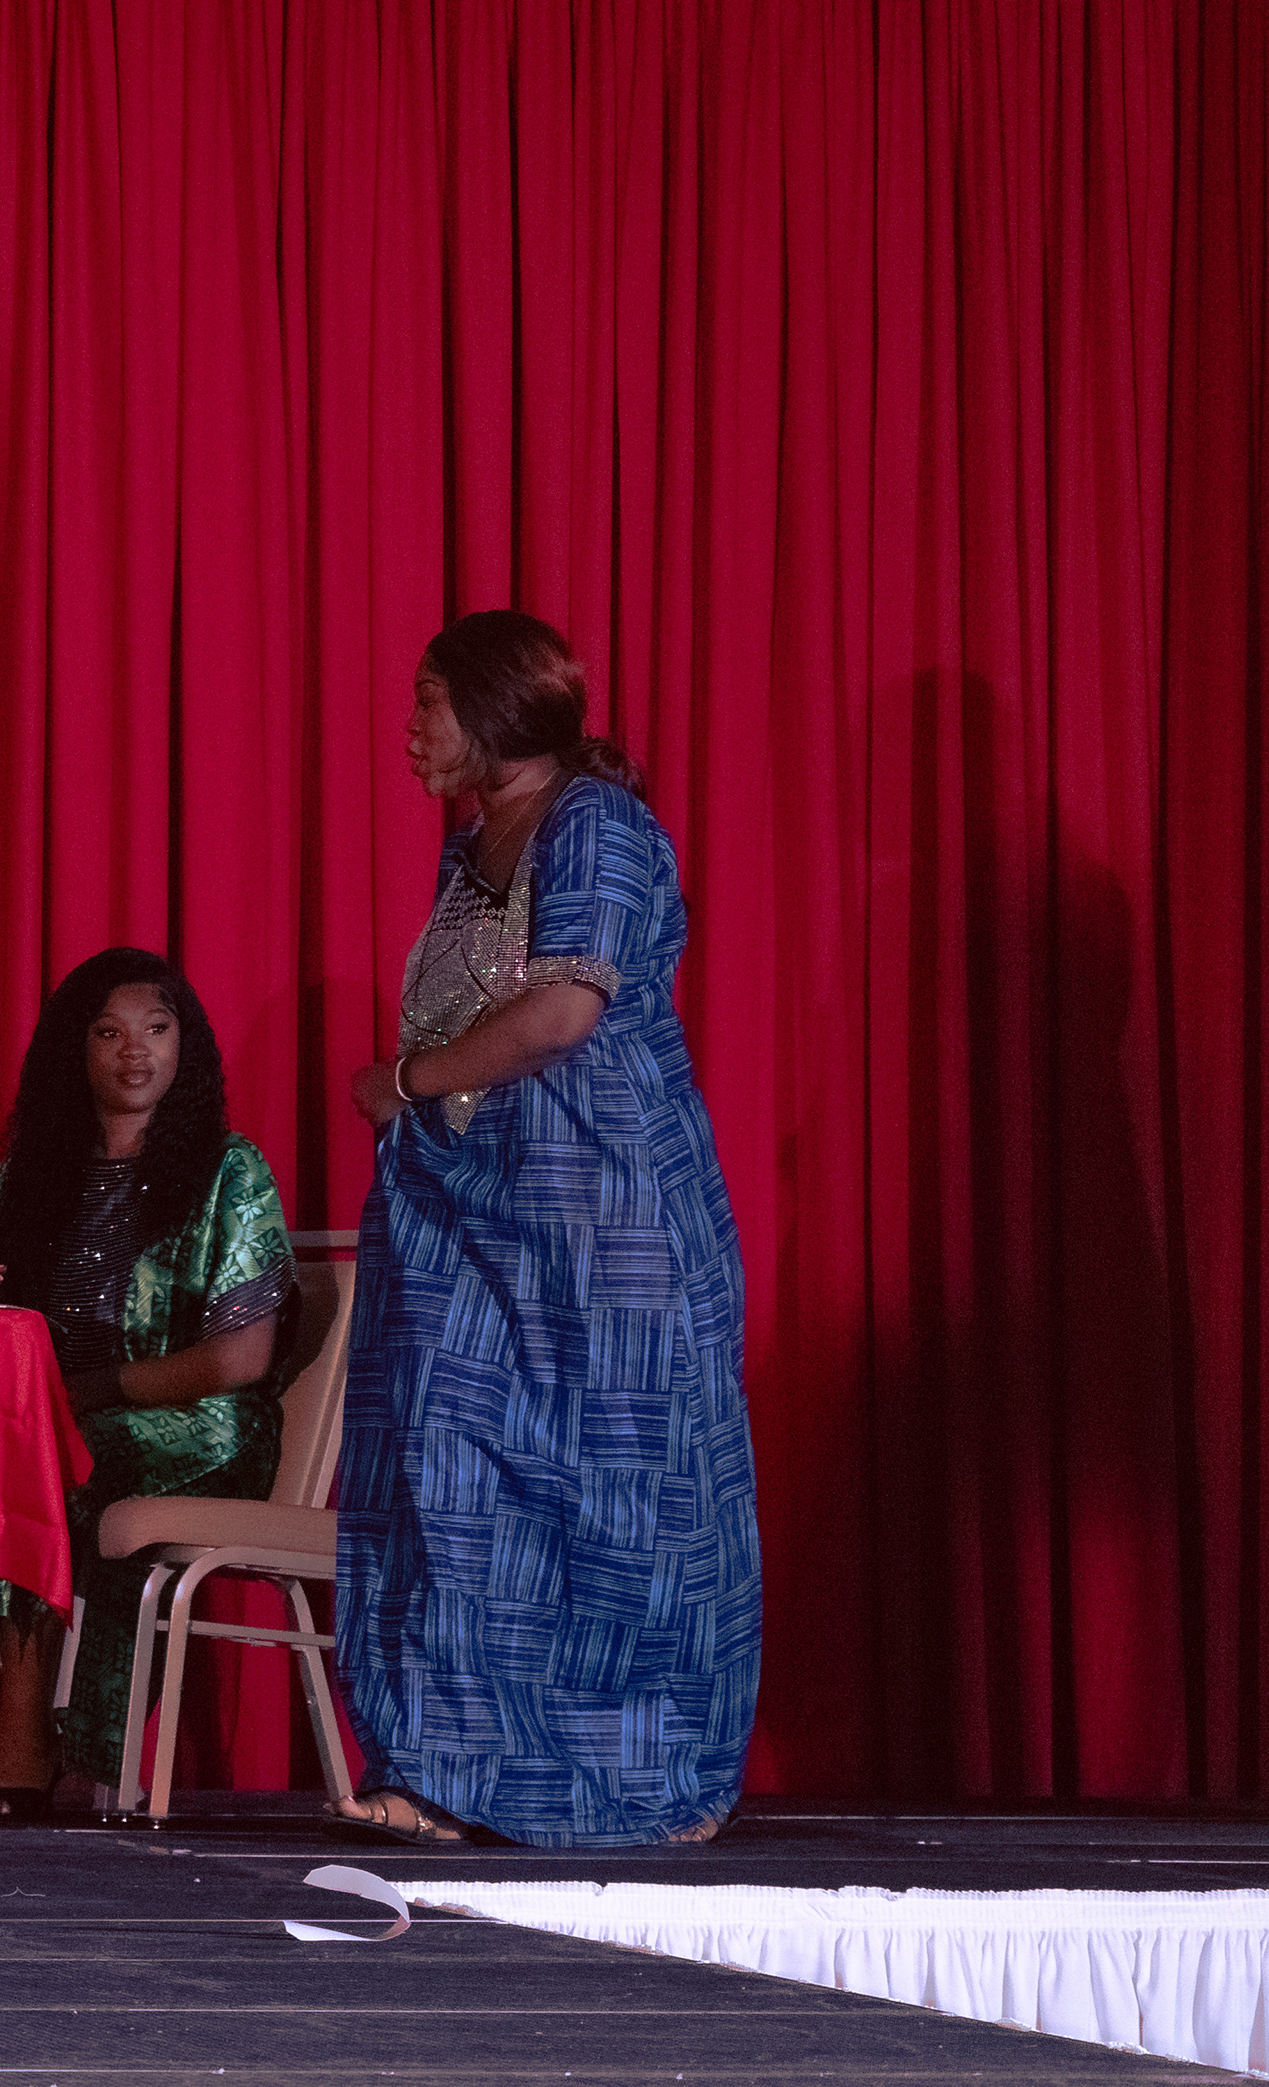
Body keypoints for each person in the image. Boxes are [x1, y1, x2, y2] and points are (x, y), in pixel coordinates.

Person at [335, 610, 756, 1850]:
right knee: (454, 1472)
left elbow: (564, 1011)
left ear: (495, 708)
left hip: (607, 1221)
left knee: (620, 1491)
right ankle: (453, 1771)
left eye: (427, 701)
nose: (409, 728)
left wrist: (406, 1081)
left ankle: (649, 1774)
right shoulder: (471, 846)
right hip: (478, 1212)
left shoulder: (597, 826)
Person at [0, 948, 298, 1816]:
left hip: (202, 1426)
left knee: (43, 1464)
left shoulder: (228, 1168)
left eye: (157, 1030)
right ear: (76, 1049)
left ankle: (28, 1741)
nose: (136, 1052)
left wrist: (88, 1394)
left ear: (186, 1045)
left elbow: (240, 1360)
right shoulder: (31, 1176)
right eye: (109, 1033)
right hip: (53, 1422)